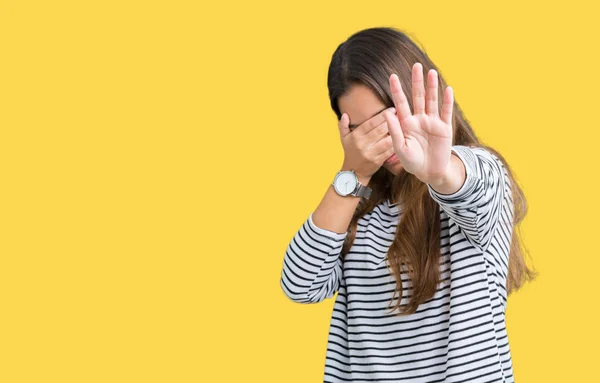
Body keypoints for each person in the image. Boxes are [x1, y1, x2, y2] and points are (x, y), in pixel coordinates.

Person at [279, 27, 537, 383]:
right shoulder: (357, 208)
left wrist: (439, 169)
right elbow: (300, 284)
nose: (380, 140)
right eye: (359, 129)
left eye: (388, 117)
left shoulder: (479, 174)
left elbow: (472, 186)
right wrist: (351, 173)